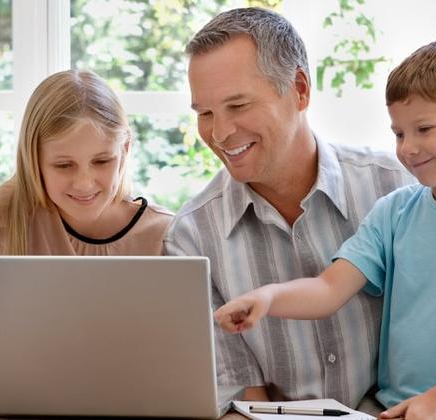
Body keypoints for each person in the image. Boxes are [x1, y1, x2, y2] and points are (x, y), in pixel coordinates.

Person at [213, 37, 436, 420]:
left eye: (424, 129)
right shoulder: (395, 211)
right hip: (385, 409)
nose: (407, 148)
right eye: (399, 133)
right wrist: (269, 297)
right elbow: (329, 288)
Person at [167, 7, 413, 408]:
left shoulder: (396, 187)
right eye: (205, 114)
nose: (220, 133)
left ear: (299, 89)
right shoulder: (191, 239)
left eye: (238, 105)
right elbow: (242, 402)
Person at [0, 69, 173, 255]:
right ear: (33, 159)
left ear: (125, 150)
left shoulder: (163, 234)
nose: (84, 184)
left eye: (102, 161)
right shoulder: (12, 215)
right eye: (64, 165)